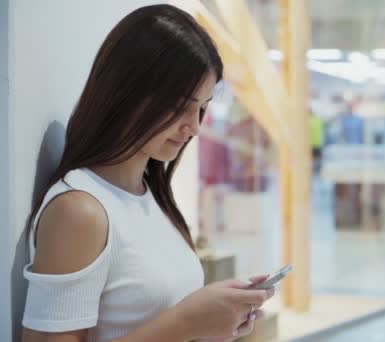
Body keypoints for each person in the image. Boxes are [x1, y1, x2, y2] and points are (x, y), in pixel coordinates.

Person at [22, 5, 275, 342]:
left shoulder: (149, 194)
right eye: (179, 105)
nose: (194, 127)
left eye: (201, 108)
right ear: (128, 90)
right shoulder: (80, 211)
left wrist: (213, 321)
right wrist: (188, 322)